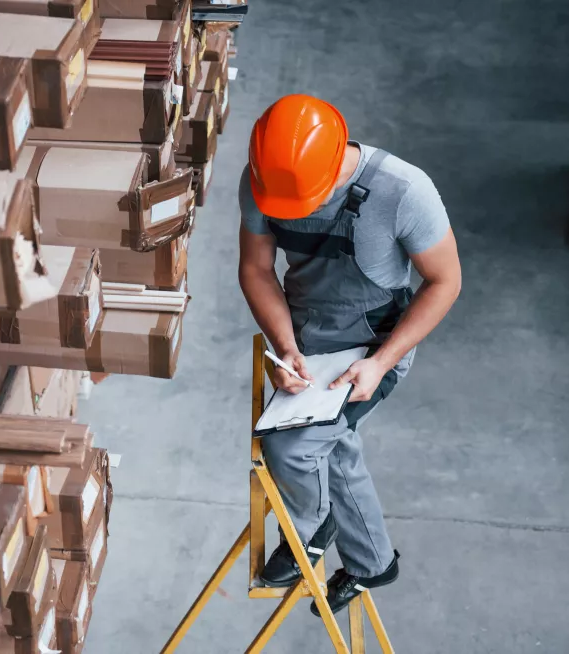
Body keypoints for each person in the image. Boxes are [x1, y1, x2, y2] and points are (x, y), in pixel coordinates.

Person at [238, 94, 461, 615]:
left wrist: (381, 362)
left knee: (292, 450)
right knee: (333, 447)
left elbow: (445, 281)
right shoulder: (263, 181)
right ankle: (373, 563)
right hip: (308, 340)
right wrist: (286, 345)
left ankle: (310, 534)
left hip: (374, 345)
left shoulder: (404, 191)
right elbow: (255, 270)